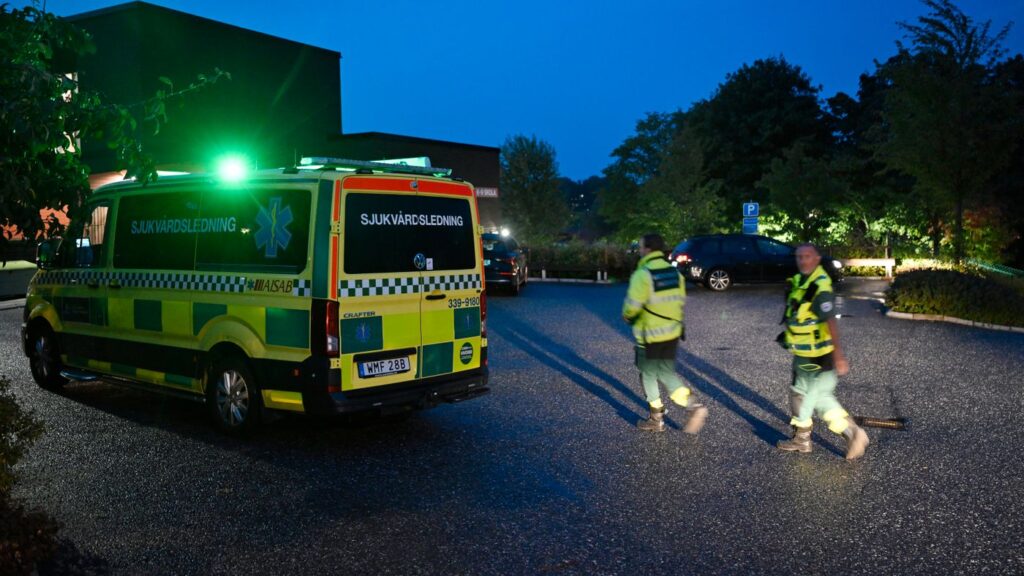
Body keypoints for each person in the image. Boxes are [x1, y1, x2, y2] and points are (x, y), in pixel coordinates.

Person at [777, 243, 869, 459]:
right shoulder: (800, 281)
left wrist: (838, 355)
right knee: (811, 397)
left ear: (817, 259)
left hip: (817, 354)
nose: (802, 260)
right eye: (799, 256)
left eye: (807, 256)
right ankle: (846, 434)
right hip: (802, 353)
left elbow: (830, 321)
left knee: (808, 397)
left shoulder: (820, 286)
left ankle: (815, 437)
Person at [623, 233, 708, 433]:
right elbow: (680, 301)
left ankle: (672, 412)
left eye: (641, 247)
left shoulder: (643, 274)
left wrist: (628, 317)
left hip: (649, 335)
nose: (640, 251)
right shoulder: (674, 273)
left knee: (650, 373)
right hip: (671, 333)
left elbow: (630, 309)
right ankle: (662, 415)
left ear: (647, 249)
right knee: (662, 371)